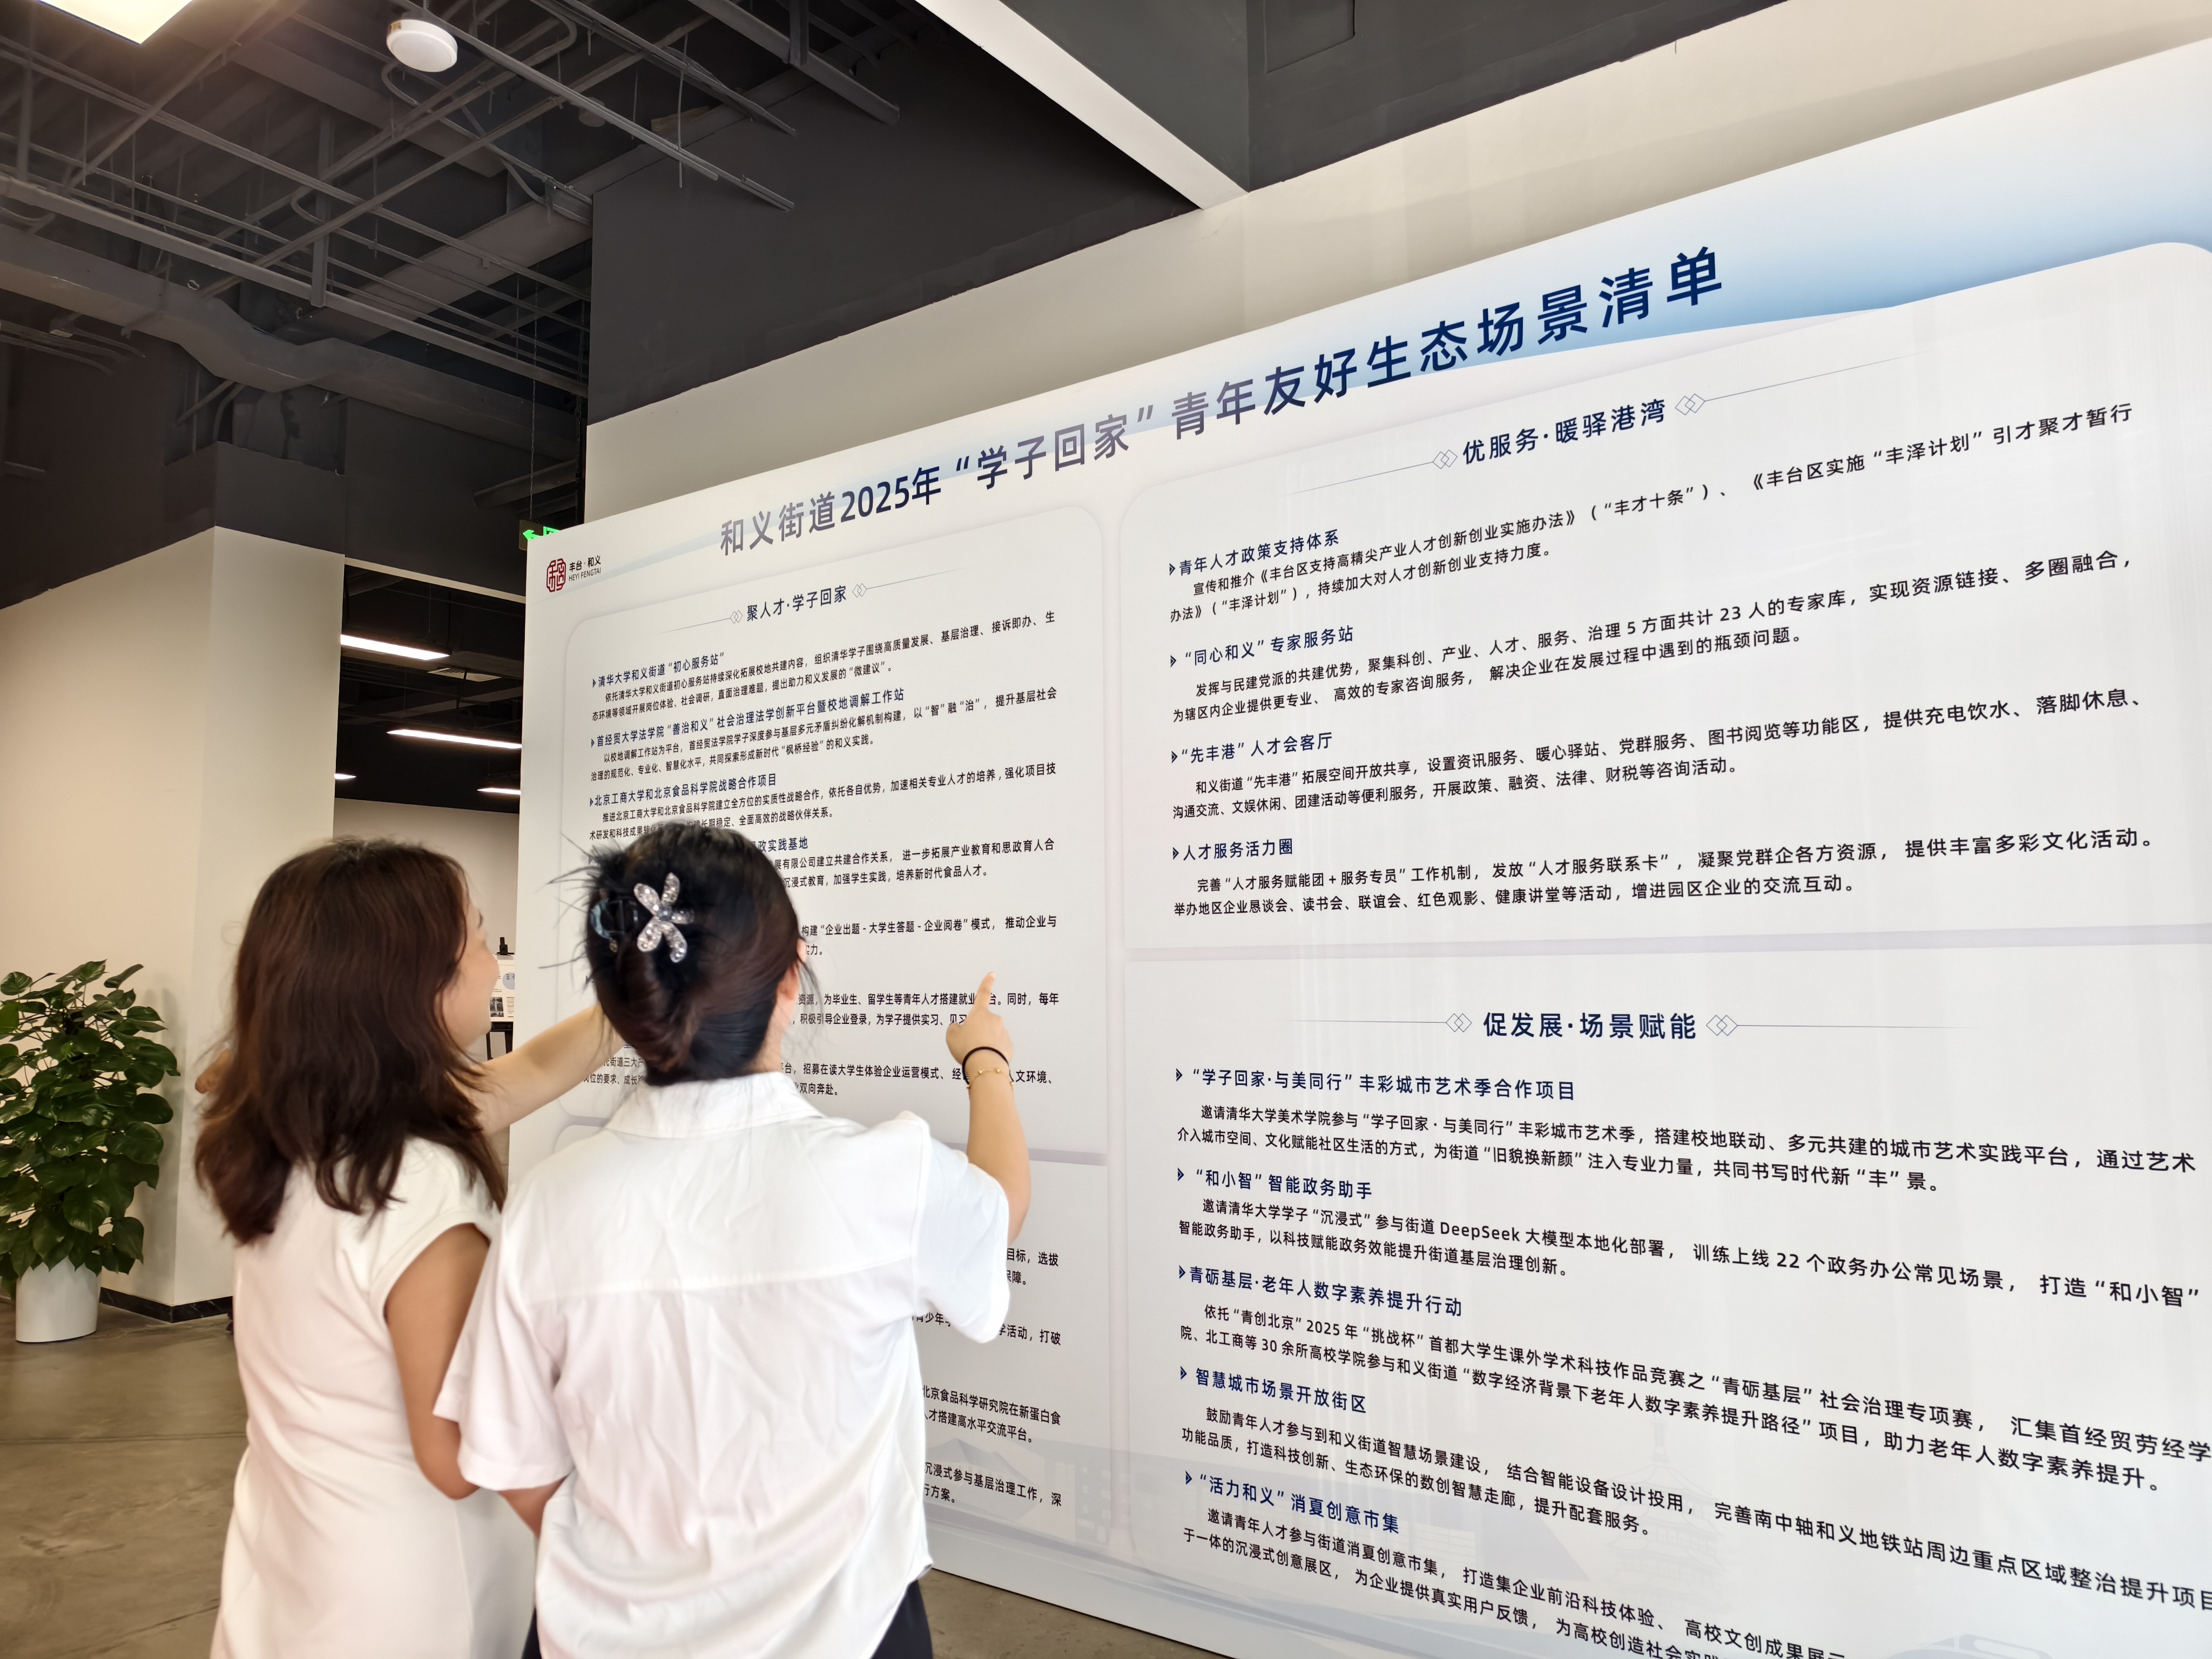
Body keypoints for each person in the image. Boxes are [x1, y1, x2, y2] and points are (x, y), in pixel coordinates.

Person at [437, 821, 1028, 1659]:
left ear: (620, 1002)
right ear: (790, 978)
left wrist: (647, 1578)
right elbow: (998, 1209)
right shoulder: (883, 1176)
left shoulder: (546, 1205)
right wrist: (987, 1062)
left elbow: (515, 1462)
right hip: (854, 1634)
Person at [195, 839, 619, 1659]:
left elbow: (531, 1069)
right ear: (416, 984)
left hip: (292, 1558)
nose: (495, 967)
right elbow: (458, 1453)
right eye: (480, 940)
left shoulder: (304, 1132)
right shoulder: (415, 1181)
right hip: (410, 1594)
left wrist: (634, 1003)